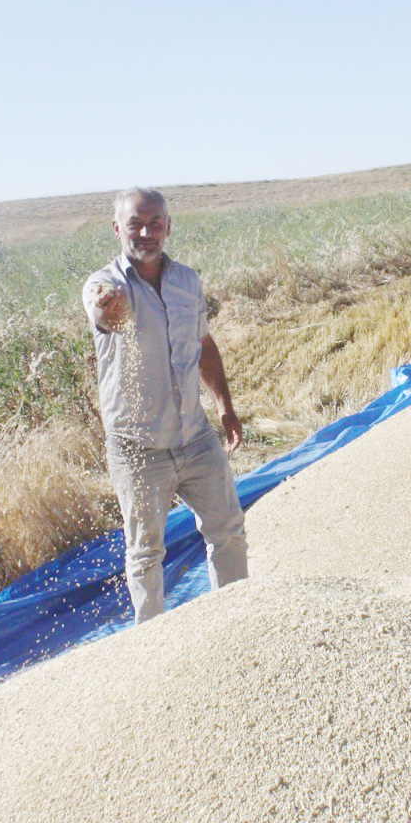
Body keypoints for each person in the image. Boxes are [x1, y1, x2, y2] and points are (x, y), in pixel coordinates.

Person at [82, 187, 248, 623]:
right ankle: (151, 651)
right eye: (135, 223)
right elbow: (106, 312)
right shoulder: (106, 284)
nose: (146, 232)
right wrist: (108, 306)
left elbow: (204, 344)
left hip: (194, 436)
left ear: (168, 227)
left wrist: (225, 407)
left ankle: (236, 625)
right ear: (117, 228)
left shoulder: (186, 281)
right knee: (145, 554)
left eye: (155, 223)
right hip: (138, 447)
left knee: (228, 531)